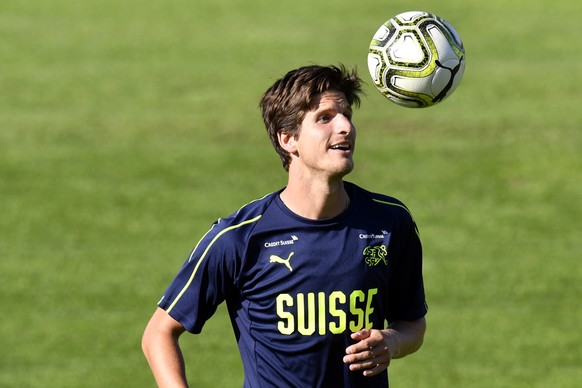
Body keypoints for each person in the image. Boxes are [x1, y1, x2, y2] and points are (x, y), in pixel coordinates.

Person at [142, 64, 427, 387]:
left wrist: (391, 341)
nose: (345, 126)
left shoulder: (390, 222)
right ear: (288, 139)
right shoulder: (240, 238)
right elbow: (159, 333)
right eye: (325, 117)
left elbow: (412, 323)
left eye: (347, 114)